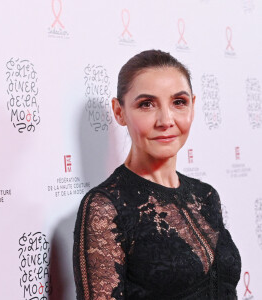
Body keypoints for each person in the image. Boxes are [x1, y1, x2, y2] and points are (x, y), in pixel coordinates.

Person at [73, 50, 241, 299]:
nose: (166, 120)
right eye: (147, 104)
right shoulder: (106, 207)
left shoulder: (205, 196)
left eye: (179, 102)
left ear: (192, 106)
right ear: (119, 112)